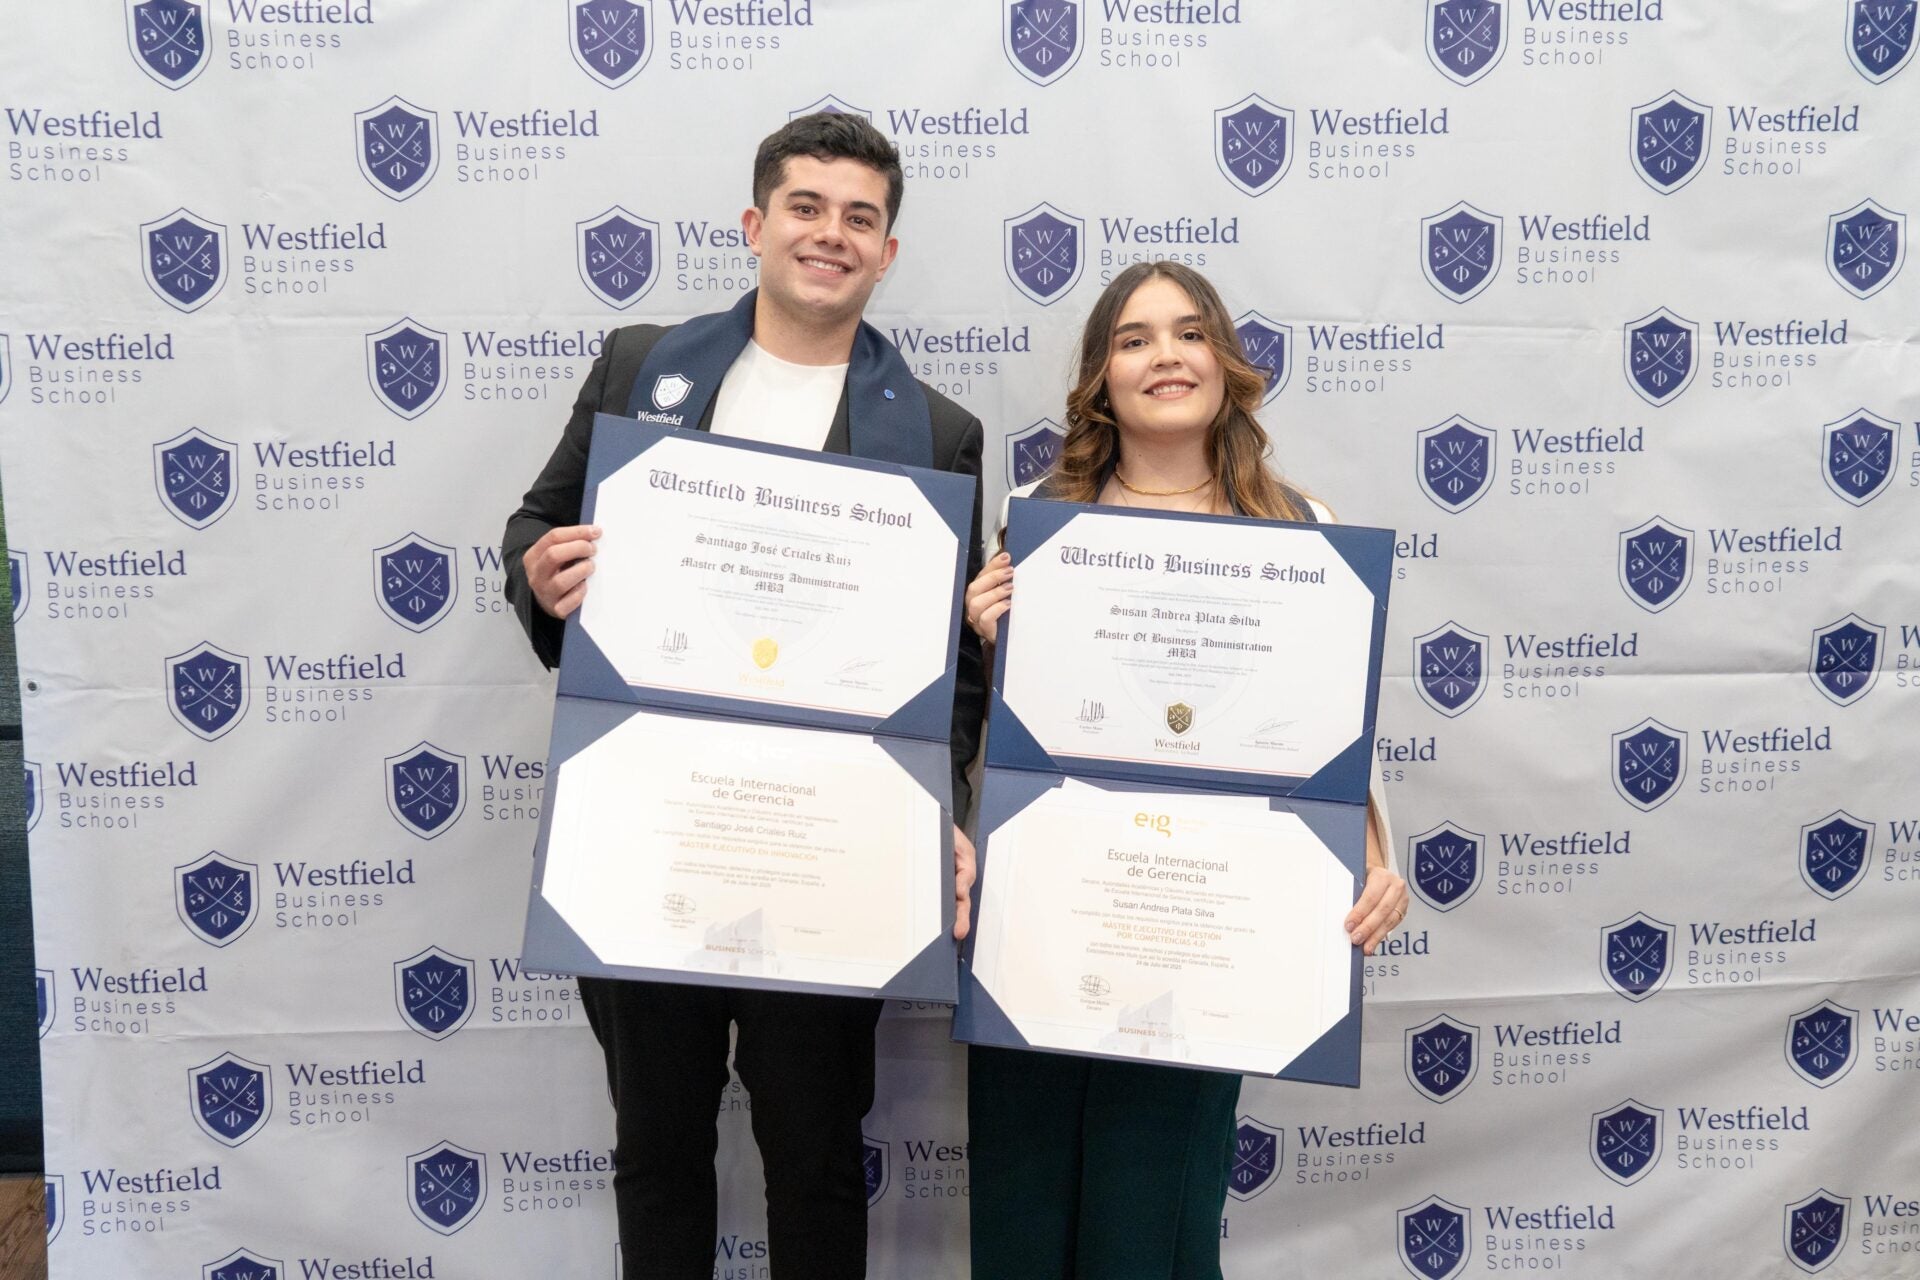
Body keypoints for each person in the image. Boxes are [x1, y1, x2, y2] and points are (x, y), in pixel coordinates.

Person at [500, 112, 987, 1280]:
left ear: (887, 251)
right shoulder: (640, 368)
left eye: (859, 217)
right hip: (651, 830)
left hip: (828, 842)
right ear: (755, 224)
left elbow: (957, 669)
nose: (830, 234)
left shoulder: (940, 433)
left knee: (814, 1152)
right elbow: (537, 524)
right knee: (656, 1142)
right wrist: (540, 572)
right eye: (806, 207)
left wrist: (943, 809)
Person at [960, 260, 1409, 1279]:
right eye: (1134, 339)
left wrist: (1375, 860)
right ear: (1100, 377)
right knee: (1023, 1202)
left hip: (1207, 921)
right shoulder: (1034, 519)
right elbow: (1003, 732)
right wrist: (989, 637)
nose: (1165, 355)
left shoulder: (1298, 529)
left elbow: (1335, 739)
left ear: (1225, 362)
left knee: (1150, 1215)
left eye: (1189, 332)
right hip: (1049, 908)